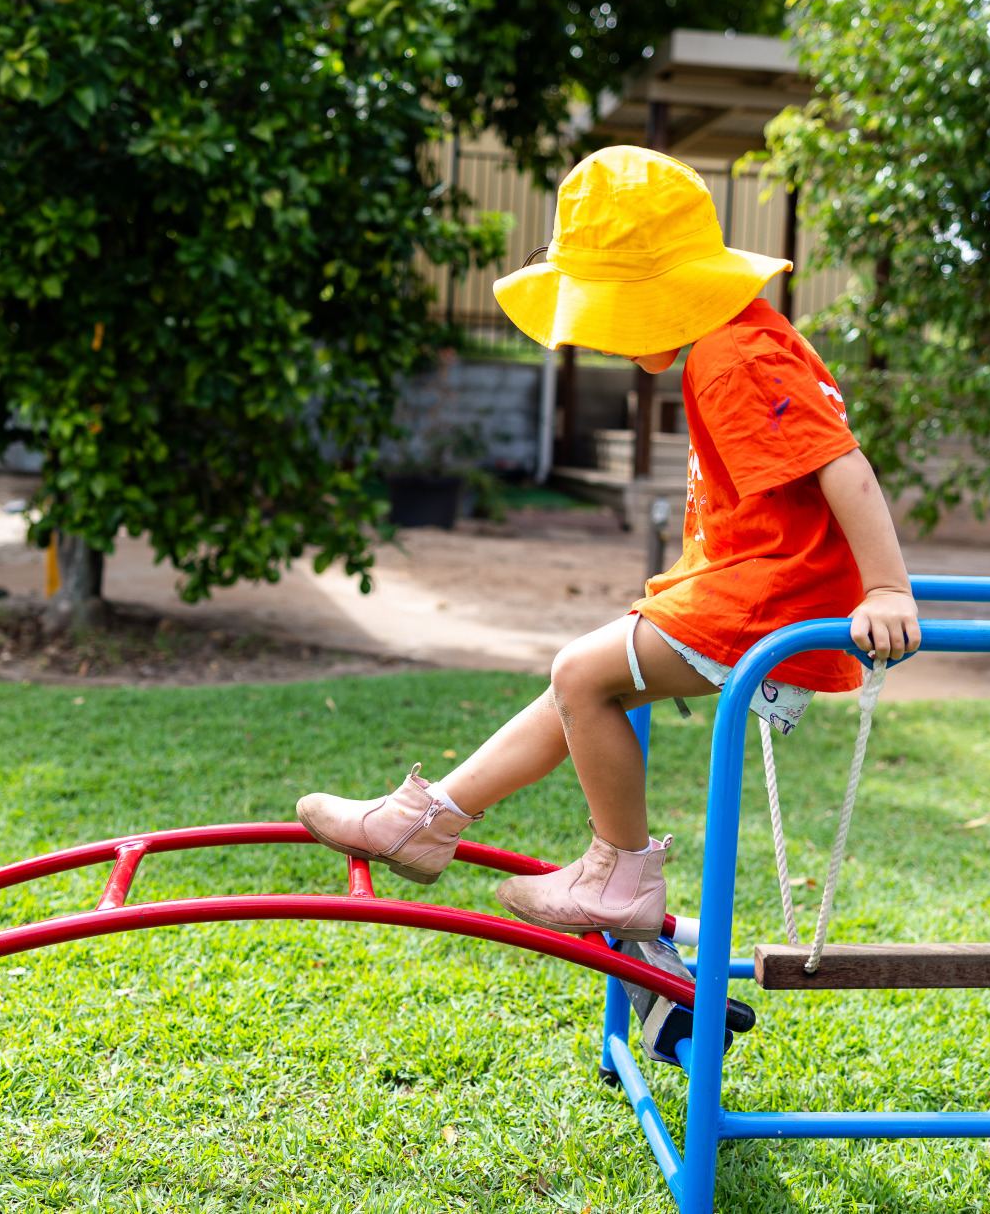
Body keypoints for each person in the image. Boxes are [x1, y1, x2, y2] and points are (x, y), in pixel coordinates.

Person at [298, 146, 922, 938]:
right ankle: (423, 820)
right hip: (747, 586)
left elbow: (844, 466)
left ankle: (619, 875)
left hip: (768, 600)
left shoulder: (735, 356)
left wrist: (887, 590)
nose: (601, 339)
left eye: (608, 311)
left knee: (581, 674)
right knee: (580, 690)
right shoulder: (743, 341)